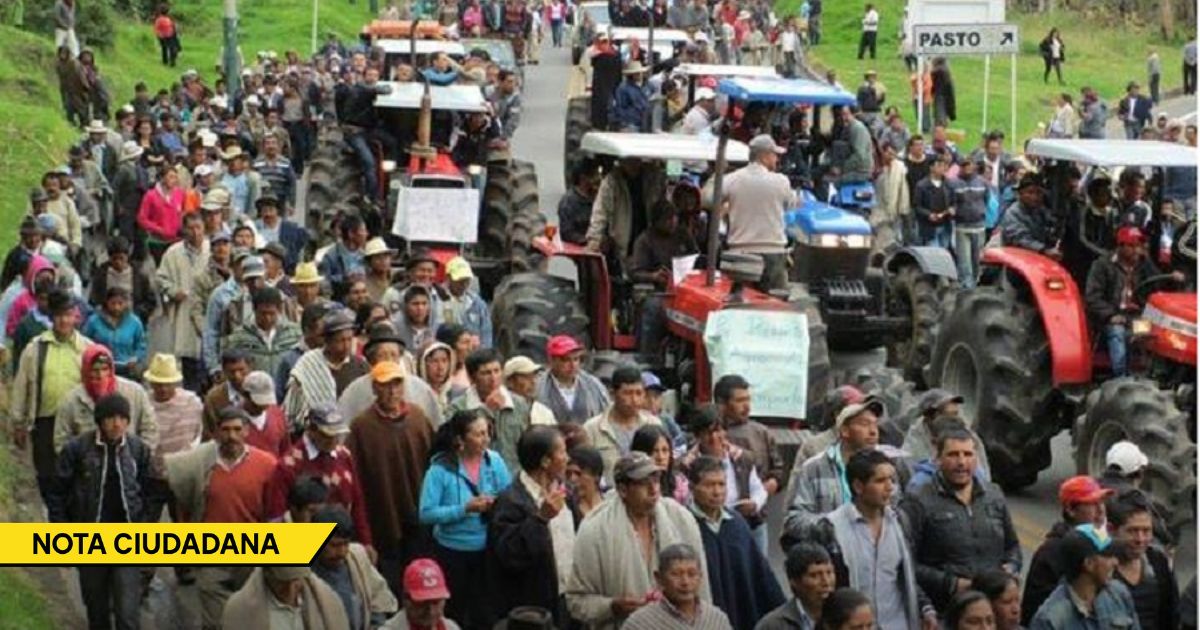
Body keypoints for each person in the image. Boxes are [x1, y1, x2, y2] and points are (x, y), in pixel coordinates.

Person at [47, 394, 166, 630]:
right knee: (96, 608)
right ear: (100, 420)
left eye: (122, 418)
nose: (117, 424)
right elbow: (57, 492)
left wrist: (144, 525)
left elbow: (154, 491)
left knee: (127, 612)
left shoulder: (137, 449)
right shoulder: (77, 449)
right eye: (111, 418)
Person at [566, 452, 710, 629]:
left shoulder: (681, 518)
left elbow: (702, 588)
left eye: (656, 479)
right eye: (643, 482)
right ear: (623, 490)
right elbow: (576, 601)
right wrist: (612, 606)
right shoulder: (594, 530)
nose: (653, 488)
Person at [165, 403, 278, 627]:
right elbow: (182, 505)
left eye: (237, 430)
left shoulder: (266, 465)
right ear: (216, 433)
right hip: (211, 556)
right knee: (216, 622)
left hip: (251, 555)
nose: (231, 436)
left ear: (247, 431)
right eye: (225, 430)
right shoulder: (198, 465)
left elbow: (272, 511)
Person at [810, 450, 938, 630]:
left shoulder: (900, 521)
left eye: (891, 480)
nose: (889, 487)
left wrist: (925, 608)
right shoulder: (831, 528)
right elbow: (825, 591)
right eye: (880, 481)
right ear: (858, 486)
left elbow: (905, 576)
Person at [902, 428, 1022, 611]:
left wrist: (1011, 567)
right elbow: (907, 562)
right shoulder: (918, 500)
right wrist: (951, 584)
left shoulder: (993, 494)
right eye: (953, 455)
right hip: (947, 609)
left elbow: (1012, 546)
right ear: (938, 459)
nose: (961, 462)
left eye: (967, 454)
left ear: (976, 459)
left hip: (992, 607)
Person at [346, 361, 435, 597]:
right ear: (375, 388)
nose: (392, 390)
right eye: (385, 385)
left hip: (419, 514)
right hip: (383, 517)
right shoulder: (361, 427)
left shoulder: (417, 417)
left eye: (397, 383)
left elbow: (433, 462)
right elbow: (356, 479)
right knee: (391, 583)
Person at [419, 408, 512, 629]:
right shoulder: (440, 469)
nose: (485, 439)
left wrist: (495, 504)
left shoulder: (494, 461)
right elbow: (426, 513)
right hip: (451, 552)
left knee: (486, 612)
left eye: (487, 433)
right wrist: (464, 509)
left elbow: (509, 497)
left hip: (486, 549)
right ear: (461, 439)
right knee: (455, 612)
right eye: (478, 434)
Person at [488, 426, 577, 624]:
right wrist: (540, 519)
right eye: (562, 452)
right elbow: (510, 555)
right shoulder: (510, 502)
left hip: (568, 599)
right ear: (545, 461)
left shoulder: (565, 494)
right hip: (533, 610)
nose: (567, 458)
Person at [688, 455, 785, 630]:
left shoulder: (737, 523)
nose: (717, 492)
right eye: (709, 485)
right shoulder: (685, 524)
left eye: (721, 484)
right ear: (692, 487)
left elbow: (759, 571)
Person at [11, 289, 89, 500]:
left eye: (68, 315)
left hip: (78, 424)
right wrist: (18, 423)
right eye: (59, 315)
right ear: (52, 317)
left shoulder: (87, 350)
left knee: (77, 480)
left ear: (76, 316)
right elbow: (21, 387)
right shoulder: (35, 349)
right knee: (47, 478)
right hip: (45, 423)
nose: (64, 320)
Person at [783, 396, 884, 543]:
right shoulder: (814, 468)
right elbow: (794, 520)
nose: (873, 431)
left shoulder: (886, 468)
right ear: (844, 431)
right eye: (864, 424)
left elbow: (896, 515)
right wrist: (833, 527)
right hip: (829, 556)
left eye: (875, 424)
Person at [1021, 475, 1115, 625]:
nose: (1101, 510)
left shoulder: (1103, 542)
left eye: (1102, 502)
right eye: (1092, 504)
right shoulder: (1051, 553)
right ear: (1071, 510)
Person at [1085, 227, 1176, 377]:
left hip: (1135, 316)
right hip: (1110, 317)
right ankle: (1120, 378)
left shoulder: (1144, 264)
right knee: (1118, 332)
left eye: (1139, 246)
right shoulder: (1102, 265)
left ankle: (1154, 376)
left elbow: (1158, 285)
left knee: (1154, 333)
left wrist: (1172, 278)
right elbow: (1092, 297)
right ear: (1120, 247)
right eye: (1132, 246)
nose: (1137, 251)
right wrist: (1110, 315)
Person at [723, 134, 798, 292]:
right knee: (775, 305)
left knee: (741, 302)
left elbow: (708, 199)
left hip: (740, 253)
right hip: (773, 254)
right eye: (774, 155)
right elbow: (793, 204)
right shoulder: (781, 181)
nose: (777, 159)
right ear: (764, 156)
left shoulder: (731, 179)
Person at [1027, 525, 1138, 629]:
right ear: (1088, 564)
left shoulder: (1119, 594)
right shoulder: (1050, 619)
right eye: (1109, 556)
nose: (1116, 562)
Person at [53, 344, 158, 453]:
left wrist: (139, 459)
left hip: (128, 464)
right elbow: (62, 440)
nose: (100, 375)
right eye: (94, 370)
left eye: (105, 369)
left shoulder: (135, 392)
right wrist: (76, 465)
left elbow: (150, 429)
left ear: (112, 369)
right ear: (85, 371)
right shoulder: (71, 400)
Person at [311, 505, 399, 629]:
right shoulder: (304, 572)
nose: (341, 551)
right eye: (334, 545)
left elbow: (378, 596)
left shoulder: (357, 556)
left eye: (345, 544)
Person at [446, 348, 534, 471]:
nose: (493, 378)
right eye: (486, 373)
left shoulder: (519, 403)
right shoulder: (458, 407)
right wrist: (485, 410)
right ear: (472, 378)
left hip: (512, 479)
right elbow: (453, 444)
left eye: (497, 371)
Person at [284, 308, 370, 429]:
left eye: (349, 340)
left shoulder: (361, 366)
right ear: (328, 341)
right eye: (340, 340)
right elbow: (295, 406)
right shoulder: (308, 364)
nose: (346, 346)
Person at [154, 212, 210, 393]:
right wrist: (173, 291)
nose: (195, 232)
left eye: (198, 228)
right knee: (189, 362)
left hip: (207, 313)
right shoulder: (174, 252)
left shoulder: (212, 250)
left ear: (204, 228)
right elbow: (161, 278)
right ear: (184, 230)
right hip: (183, 313)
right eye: (190, 228)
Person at [1107, 491, 1179, 630]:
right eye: (1132, 531)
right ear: (1111, 530)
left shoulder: (1158, 562)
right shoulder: (1099, 566)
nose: (1140, 539)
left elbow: (1171, 612)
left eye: (1146, 531)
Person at [623, 543, 734, 630]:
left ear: (700, 577)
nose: (685, 582)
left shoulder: (717, 619)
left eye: (691, 574)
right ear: (659, 578)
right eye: (676, 574)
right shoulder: (640, 624)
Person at [583, 366, 662, 483]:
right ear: (612, 394)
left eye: (639, 393)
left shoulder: (653, 424)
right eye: (627, 393)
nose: (634, 400)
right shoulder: (592, 429)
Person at [222, 565, 351, 629]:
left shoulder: (327, 602)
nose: (290, 588)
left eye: (295, 580)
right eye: (283, 581)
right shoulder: (240, 611)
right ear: (267, 574)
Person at [224, 286, 303, 378]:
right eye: (263, 313)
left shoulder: (295, 333)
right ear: (254, 310)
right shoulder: (239, 337)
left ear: (279, 310)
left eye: (271, 313)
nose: (267, 318)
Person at [756, 543, 837, 630]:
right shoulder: (773, 625)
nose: (826, 582)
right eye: (814, 575)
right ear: (794, 582)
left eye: (829, 573)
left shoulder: (846, 616)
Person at [535, 335, 610, 424]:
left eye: (576, 359)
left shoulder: (594, 386)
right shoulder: (537, 387)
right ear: (552, 360)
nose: (572, 365)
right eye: (566, 360)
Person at [144, 353, 203, 457]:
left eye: (168, 384)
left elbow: (200, 434)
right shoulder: (144, 403)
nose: (163, 389)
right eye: (158, 384)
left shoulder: (192, 403)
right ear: (151, 383)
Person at [81, 286, 147, 379]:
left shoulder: (135, 322)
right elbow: (84, 341)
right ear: (106, 303)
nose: (116, 307)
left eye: (120, 304)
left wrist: (136, 358)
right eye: (113, 303)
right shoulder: (94, 321)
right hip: (100, 370)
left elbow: (141, 345)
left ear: (126, 303)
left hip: (126, 370)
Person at [88, 236, 156, 325]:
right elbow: (93, 300)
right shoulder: (101, 275)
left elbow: (150, 301)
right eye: (114, 259)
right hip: (106, 321)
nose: (118, 262)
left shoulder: (139, 275)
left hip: (133, 320)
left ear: (128, 256)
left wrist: (137, 313)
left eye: (121, 258)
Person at [380, 559, 461, 630]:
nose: (430, 611)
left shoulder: (451, 627)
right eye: (422, 603)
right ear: (405, 600)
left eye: (436, 602)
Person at [1000, 175, 1061, 259]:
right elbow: (1021, 240)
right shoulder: (1012, 214)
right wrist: (1044, 250)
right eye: (1030, 192)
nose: (1034, 197)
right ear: (1020, 193)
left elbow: (1048, 227)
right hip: (1018, 261)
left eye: (1039, 193)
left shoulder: (1039, 210)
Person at [440, 257, 492, 348]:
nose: (463, 285)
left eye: (466, 280)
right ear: (448, 278)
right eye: (460, 281)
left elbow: (486, 333)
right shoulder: (437, 299)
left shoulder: (477, 303)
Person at [632, 424, 689, 504]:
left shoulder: (679, 485)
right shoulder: (631, 488)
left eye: (665, 450)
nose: (661, 457)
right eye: (654, 451)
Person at [239, 372, 291, 456]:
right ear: (245, 395)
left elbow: (286, 451)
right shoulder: (232, 422)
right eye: (257, 404)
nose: (263, 407)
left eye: (267, 403)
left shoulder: (277, 414)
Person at [913, 154, 953, 248]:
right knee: (934, 254)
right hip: (929, 227)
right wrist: (928, 214)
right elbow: (917, 206)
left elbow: (953, 201)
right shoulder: (922, 185)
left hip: (945, 225)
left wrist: (952, 209)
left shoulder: (948, 183)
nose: (942, 168)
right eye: (939, 165)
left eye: (944, 165)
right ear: (931, 168)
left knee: (945, 252)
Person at [559, 162, 601, 245]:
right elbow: (566, 232)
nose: (598, 178)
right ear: (583, 178)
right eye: (594, 175)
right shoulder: (569, 201)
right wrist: (585, 240)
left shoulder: (598, 196)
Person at [567, 445, 605, 519]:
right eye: (568, 473)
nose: (572, 479)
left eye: (578, 473)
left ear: (596, 476)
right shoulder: (568, 508)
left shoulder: (611, 501)